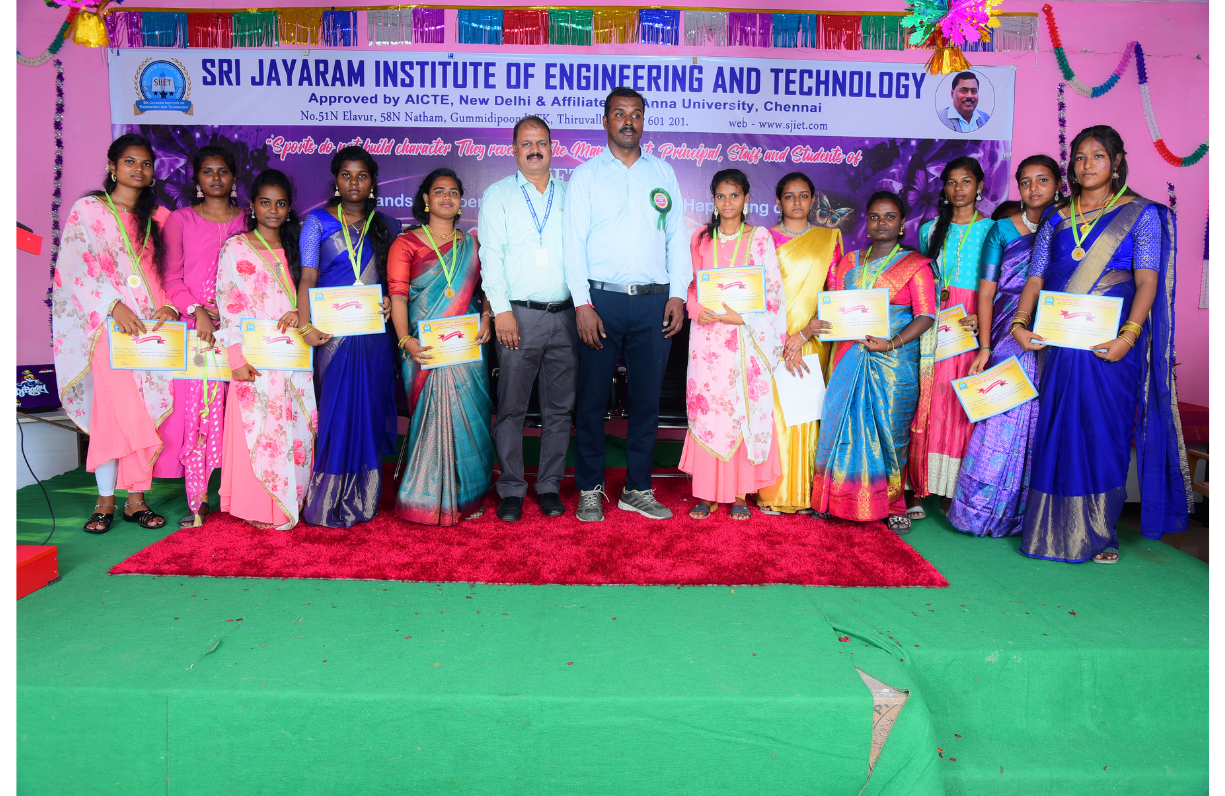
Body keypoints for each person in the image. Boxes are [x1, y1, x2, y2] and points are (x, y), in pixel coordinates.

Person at [1011, 126, 1190, 563]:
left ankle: (1100, 530)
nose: (1086, 164)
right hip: (1058, 344)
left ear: (1116, 161)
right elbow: (1035, 277)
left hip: (1110, 346)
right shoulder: (1056, 217)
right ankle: (1048, 529)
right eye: (1079, 157)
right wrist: (1019, 322)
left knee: (1102, 430)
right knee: (1056, 429)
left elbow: (1147, 282)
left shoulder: (1141, 214)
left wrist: (1129, 336)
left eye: (1097, 156)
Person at [563, 86, 693, 522]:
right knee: (592, 399)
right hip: (600, 302)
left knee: (646, 401)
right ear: (605, 121)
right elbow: (572, 245)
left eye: (636, 114)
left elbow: (677, 240)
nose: (628, 122)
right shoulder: (586, 176)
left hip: (654, 302)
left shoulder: (663, 172)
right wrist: (582, 304)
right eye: (619, 114)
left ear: (643, 121)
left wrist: (677, 294)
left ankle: (637, 488)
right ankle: (589, 488)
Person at [52, 133, 172, 533]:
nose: (138, 169)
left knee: (143, 407)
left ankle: (136, 501)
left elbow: (165, 272)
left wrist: (169, 307)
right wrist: (112, 305)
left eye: (145, 164)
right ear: (112, 167)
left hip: (150, 328)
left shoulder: (159, 217)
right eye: (130, 162)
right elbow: (74, 268)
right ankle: (104, 500)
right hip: (106, 325)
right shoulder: (88, 210)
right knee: (114, 410)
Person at [947, 155, 1061, 537]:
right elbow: (986, 291)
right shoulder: (1001, 230)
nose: (1033, 188)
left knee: (1045, 417)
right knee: (1001, 414)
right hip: (1007, 328)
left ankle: (1032, 514)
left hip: (1055, 329)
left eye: (1042, 180)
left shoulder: (1069, 226)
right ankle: (980, 511)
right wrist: (984, 346)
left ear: (1058, 185)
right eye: (1025, 181)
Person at [810, 191, 938, 534]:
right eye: (875, 217)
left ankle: (893, 504)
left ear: (902, 224)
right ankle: (833, 499)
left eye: (890, 217)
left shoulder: (916, 265)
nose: (882, 223)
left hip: (894, 362)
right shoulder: (848, 262)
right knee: (840, 427)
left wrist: (891, 343)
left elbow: (926, 315)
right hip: (849, 357)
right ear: (866, 224)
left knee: (891, 433)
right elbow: (835, 305)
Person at [295, 146, 399, 528]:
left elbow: (394, 282)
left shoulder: (388, 225)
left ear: (373, 182)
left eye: (362, 175)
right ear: (336, 181)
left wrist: (389, 300)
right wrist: (305, 326)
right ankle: (327, 499)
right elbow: (308, 277)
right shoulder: (317, 222)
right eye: (346, 175)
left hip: (373, 337)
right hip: (331, 337)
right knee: (336, 411)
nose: (354, 182)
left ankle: (365, 498)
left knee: (369, 411)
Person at [479, 116, 575, 522]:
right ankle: (512, 487)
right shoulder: (499, 195)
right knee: (511, 407)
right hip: (517, 315)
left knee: (560, 410)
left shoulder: (571, 193)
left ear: (552, 148)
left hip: (566, 316)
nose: (534, 150)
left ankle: (549, 485)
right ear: (514, 149)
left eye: (541, 143)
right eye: (526, 143)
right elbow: (490, 255)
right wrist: (500, 310)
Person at [389, 168, 495, 525]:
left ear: (461, 200)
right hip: (424, 349)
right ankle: (424, 498)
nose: (447, 197)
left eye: (453, 192)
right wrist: (405, 340)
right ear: (426, 199)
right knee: (430, 417)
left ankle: (469, 495)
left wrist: (487, 317)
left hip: (467, 348)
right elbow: (398, 296)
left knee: (470, 420)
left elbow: (487, 287)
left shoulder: (472, 245)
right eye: (439, 191)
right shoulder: (406, 243)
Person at [214, 170, 318, 529]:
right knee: (259, 429)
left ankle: (293, 501)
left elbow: (313, 293)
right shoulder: (235, 248)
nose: (273, 210)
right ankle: (260, 506)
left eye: (280, 203)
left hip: (294, 354)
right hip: (255, 358)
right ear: (252, 205)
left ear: (289, 208)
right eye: (265, 202)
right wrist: (235, 357)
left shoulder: (298, 246)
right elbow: (228, 303)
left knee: (296, 428)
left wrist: (301, 312)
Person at [681, 170, 787, 520]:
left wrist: (741, 319)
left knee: (740, 409)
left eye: (735, 195)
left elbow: (773, 292)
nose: (728, 202)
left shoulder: (760, 238)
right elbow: (691, 287)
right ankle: (706, 493)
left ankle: (740, 494)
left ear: (746, 199)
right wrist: (695, 310)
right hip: (708, 343)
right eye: (721, 196)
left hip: (745, 340)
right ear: (713, 199)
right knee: (709, 412)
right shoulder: (701, 239)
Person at [159, 145, 247, 527]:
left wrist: (231, 316)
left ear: (233, 178)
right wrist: (197, 311)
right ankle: (199, 499)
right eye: (207, 171)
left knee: (238, 411)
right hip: (198, 332)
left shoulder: (248, 219)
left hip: (239, 329)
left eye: (222, 170)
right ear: (196, 179)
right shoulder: (180, 220)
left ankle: (239, 491)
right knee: (197, 414)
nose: (215, 177)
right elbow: (171, 278)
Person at [755, 172, 842, 515]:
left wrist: (805, 333)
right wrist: (782, 340)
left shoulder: (829, 238)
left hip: (813, 336)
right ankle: (772, 492)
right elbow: (756, 295)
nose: (796, 202)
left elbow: (835, 291)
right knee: (775, 414)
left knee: (809, 414)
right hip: (772, 340)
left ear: (813, 200)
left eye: (803, 195)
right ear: (778, 201)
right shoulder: (763, 239)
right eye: (789, 196)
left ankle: (808, 494)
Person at [910, 156, 993, 516]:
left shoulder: (993, 229)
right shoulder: (929, 230)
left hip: (972, 324)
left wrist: (983, 315)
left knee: (961, 402)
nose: (958, 189)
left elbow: (1000, 283)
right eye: (952, 182)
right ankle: (918, 484)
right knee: (927, 398)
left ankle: (952, 487)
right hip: (934, 322)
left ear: (980, 186)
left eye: (966, 181)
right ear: (943, 188)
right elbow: (921, 280)